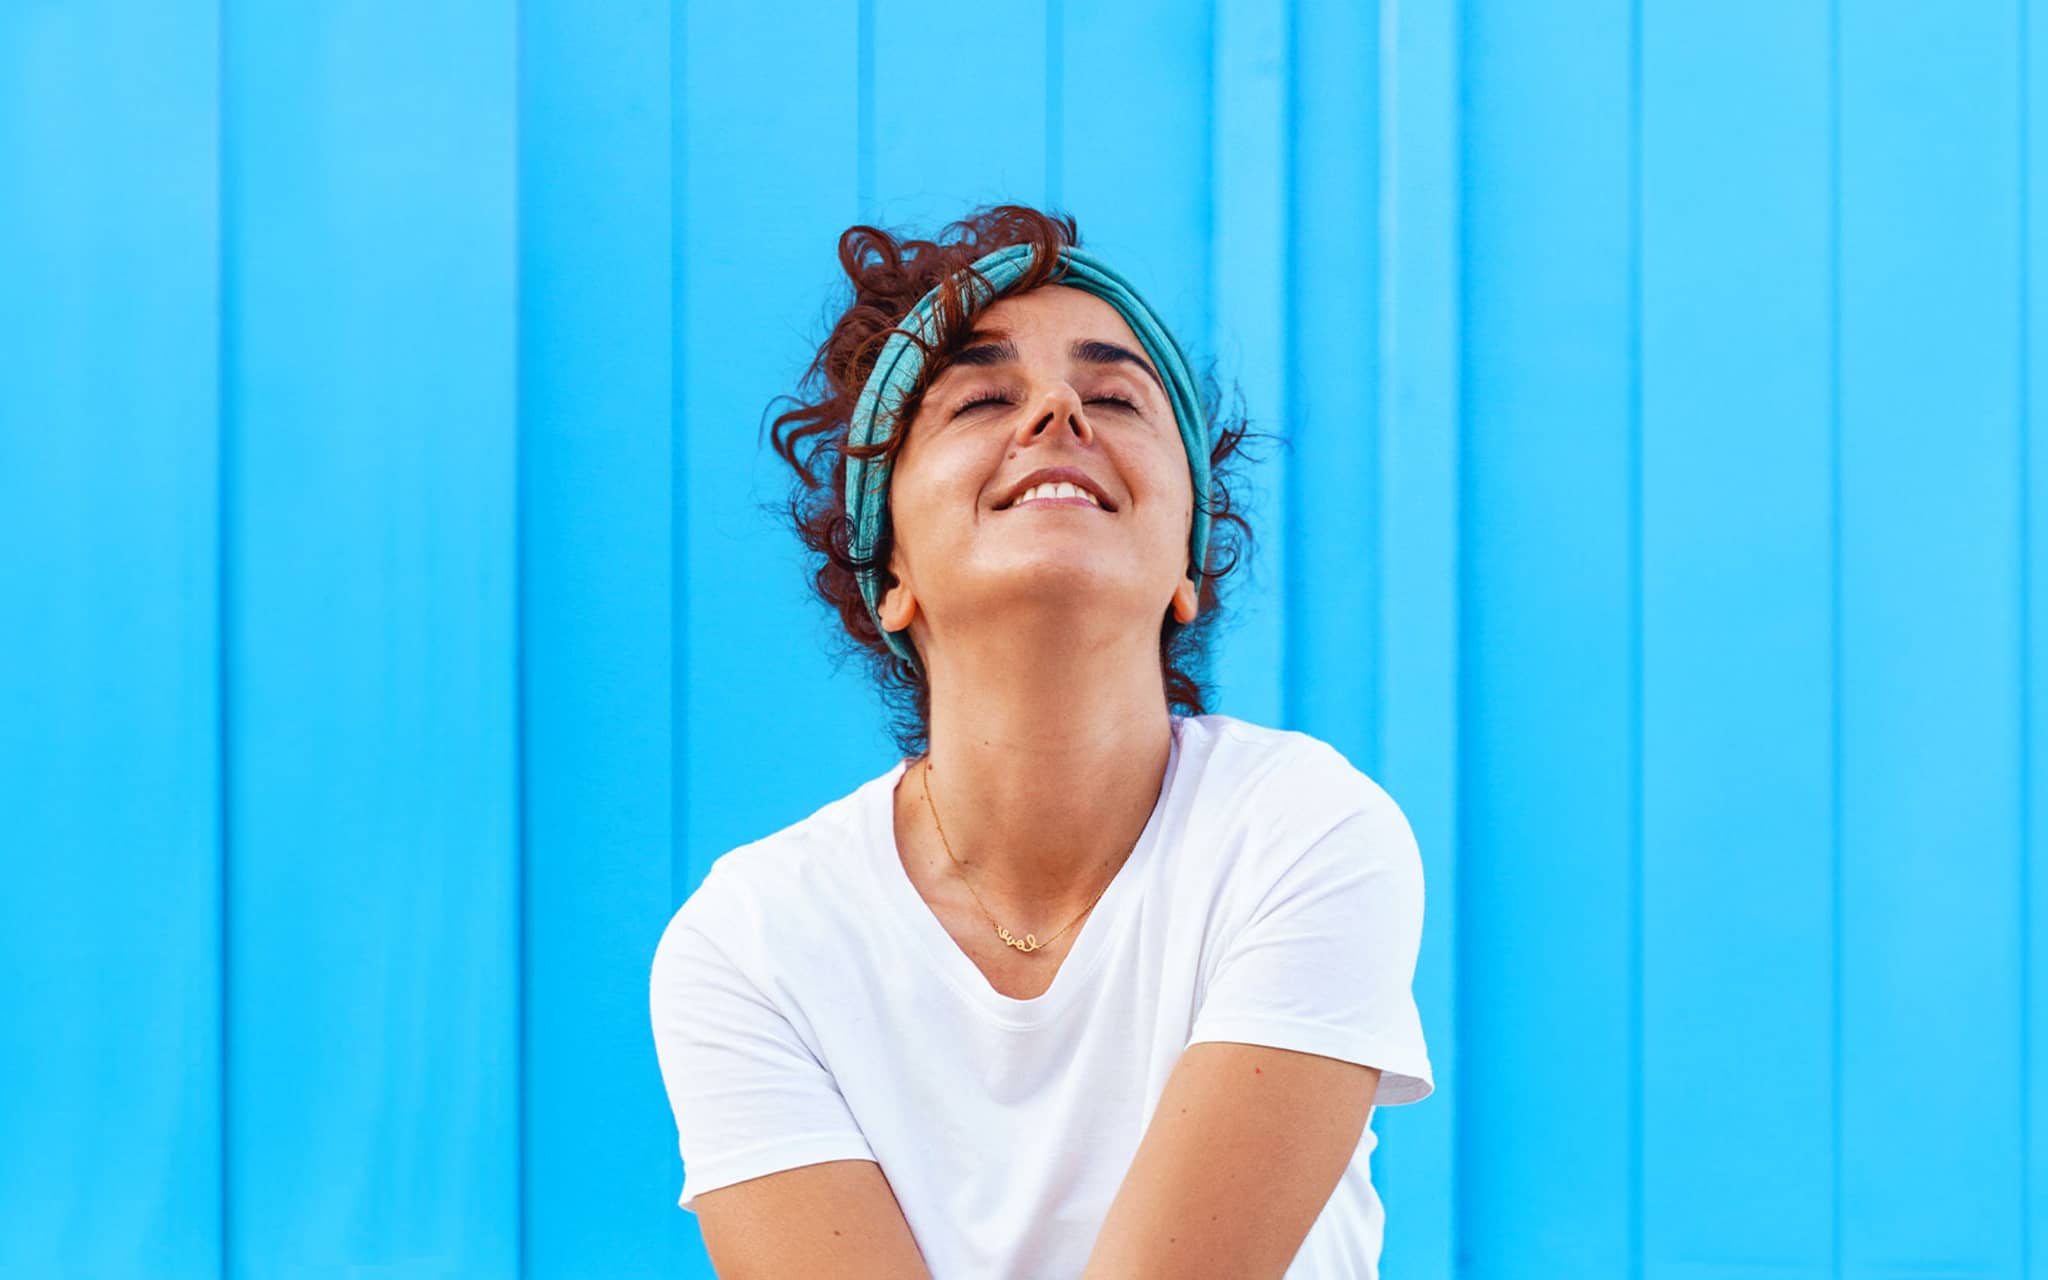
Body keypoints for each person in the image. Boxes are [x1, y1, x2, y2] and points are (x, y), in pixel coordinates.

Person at [649, 204, 1434, 1278]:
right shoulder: (751, 943)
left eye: (1114, 394)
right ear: (890, 577)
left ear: (1185, 571)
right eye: (979, 396)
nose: (1059, 408)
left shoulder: (1301, 829)